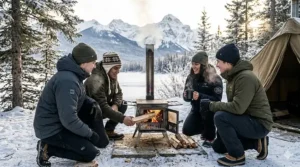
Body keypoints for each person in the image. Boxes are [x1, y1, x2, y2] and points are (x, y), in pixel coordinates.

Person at [33, 43, 109, 167]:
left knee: (90, 142)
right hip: (51, 130)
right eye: (93, 62)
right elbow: (69, 119)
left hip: (60, 123)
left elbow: (78, 99)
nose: (95, 66)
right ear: (84, 63)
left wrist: (92, 103)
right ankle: (48, 148)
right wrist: (89, 133)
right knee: (89, 154)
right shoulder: (68, 81)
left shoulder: (74, 76)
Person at [200, 43, 273, 166]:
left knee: (220, 116)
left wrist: (212, 105)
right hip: (247, 119)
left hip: (259, 123)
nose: (217, 65)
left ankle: (237, 156)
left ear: (228, 62)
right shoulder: (233, 78)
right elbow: (233, 109)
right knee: (219, 147)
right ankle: (257, 143)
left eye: (219, 61)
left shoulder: (245, 78)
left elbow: (237, 108)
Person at [84, 52, 134, 140]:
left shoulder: (111, 77)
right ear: (108, 67)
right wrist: (122, 119)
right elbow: (102, 106)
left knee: (123, 104)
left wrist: (115, 105)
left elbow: (118, 93)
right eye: (115, 68)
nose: (118, 71)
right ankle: (91, 131)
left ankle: (108, 130)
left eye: (119, 68)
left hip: (101, 109)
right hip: (90, 112)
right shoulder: (96, 80)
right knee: (101, 141)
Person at [182, 51, 223, 147]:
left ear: (203, 65)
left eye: (196, 64)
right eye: (192, 64)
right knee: (187, 131)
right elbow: (186, 95)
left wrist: (199, 96)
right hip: (196, 110)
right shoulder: (191, 77)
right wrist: (186, 96)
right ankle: (203, 127)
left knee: (206, 106)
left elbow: (217, 100)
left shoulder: (215, 79)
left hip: (209, 111)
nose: (193, 66)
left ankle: (210, 135)